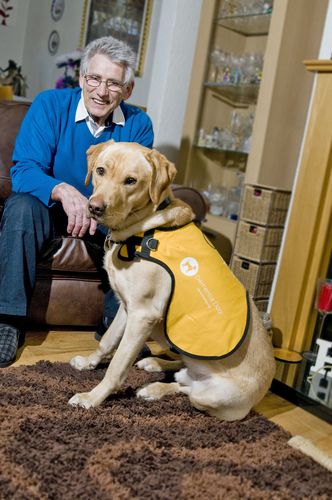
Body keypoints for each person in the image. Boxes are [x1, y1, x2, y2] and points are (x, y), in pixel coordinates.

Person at [0, 36, 154, 368]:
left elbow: (137, 192)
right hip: (49, 209)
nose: (101, 90)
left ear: (127, 91)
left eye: (113, 83)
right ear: (82, 78)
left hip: (106, 217)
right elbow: (25, 170)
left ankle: (116, 327)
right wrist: (63, 191)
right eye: (94, 78)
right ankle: (8, 322)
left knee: (139, 228)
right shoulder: (50, 105)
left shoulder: (139, 126)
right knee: (21, 206)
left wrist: (95, 207)